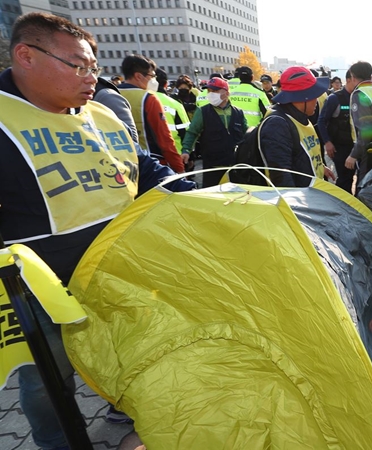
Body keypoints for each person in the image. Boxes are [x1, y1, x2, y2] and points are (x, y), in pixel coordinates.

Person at [0, 12, 195, 450]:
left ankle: (131, 416)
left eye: (95, 67)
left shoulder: (102, 115)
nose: (92, 78)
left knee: (134, 353)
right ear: (25, 56)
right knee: (47, 384)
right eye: (79, 66)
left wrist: (192, 192)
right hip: (38, 292)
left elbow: (142, 165)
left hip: (120, 273)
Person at [259, 66, 333, 187]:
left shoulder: (301, 116)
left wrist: (320, 167)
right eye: (314, 95)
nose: (317, 101)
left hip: (311, 192)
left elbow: (302, 154)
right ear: (302, 97)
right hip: (300, 200)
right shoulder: (277, 125)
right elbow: (281, 178)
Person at [117, 54, 186, 173]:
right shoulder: (148, 98)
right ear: (138, 76)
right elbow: (165, 139)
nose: (154, 80)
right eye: (152, 76)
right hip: (151, 165)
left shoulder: (111, 94)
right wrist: (179, 170)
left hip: (120, 164)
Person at [181, 77, 247, 187]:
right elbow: (192, 132)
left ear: (226, 93)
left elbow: (245, 135)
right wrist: (186, 150)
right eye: (209, 91)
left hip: (235, 166)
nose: (211, 94)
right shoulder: (203, 112)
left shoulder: (238, 112)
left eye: (215, 91)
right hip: (212, 167)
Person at [344, 61, 372, 189]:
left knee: (363, 188)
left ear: (353, 77)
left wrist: (353, 155)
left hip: (369, 149)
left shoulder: (359, 94)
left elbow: (365, 129)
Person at [317, 70, 357, 193]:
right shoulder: (335, 98)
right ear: (349, 80)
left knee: (352, 177)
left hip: (356, 145)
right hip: (340, 146)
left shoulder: (359, 97)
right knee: (344, 178)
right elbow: (321, 121)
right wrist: (327, 142)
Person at [154, 68, 191, 166]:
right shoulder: (174, 104)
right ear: (166, 84)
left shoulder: (137, 102)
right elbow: (185, 131)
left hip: (148, 156)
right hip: (175, 154)